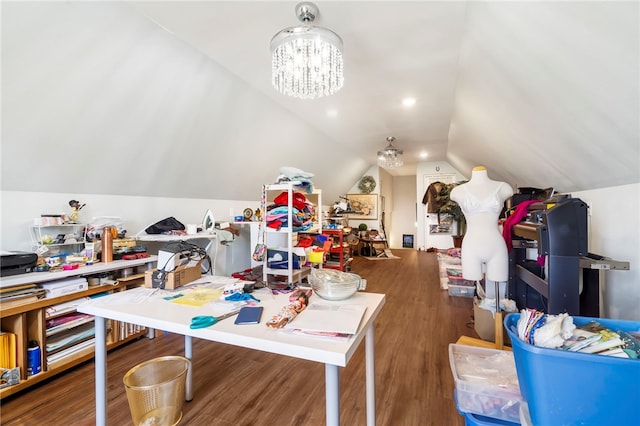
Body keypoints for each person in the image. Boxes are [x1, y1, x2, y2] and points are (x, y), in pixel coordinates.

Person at [450, 166, 513, 283]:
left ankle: (495, 302)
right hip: (471, 247)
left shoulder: (503, 188)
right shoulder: (458, 191)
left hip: (496, 247)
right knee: (473, 280)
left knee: (499, 280)